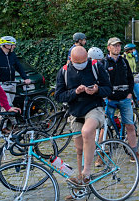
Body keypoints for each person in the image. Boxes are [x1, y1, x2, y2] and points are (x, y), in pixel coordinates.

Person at [55, 46, 112, 188]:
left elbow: (109, 89)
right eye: (77, 62)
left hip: (94, 107)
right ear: (71, 60)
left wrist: (97, 90)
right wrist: (75, 92)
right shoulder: (64, 71)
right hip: (75, 111)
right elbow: (59, 95)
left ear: (87, 58)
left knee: (87, 132)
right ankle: (81, 184)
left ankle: (86, 173)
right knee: (79, 149)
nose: (81, 64)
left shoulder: (96, 66)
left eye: (84, 61)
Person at [102, 37, 139, 165]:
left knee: (130, 126)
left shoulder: (124, 61)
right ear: (109, 47)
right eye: (114, 46)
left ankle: (134, 153)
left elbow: (130, 79)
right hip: (110, 100)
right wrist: (106, 95)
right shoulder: (104, 63)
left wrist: (129, 94)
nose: (117, 48)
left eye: (119, 46)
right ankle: (101, 154)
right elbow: (101, 81)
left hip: (124, 99)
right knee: (104, 127)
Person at [0, 36, 31, 111]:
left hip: (12, 83)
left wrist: (25, 77)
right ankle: (14, 122)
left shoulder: (12, 54)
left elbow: (18, 66)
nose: (14, 46)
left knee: (6, 106)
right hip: (3, 85)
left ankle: (2, 122)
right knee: (9, 105)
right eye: (13, 45)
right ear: (7, 45)